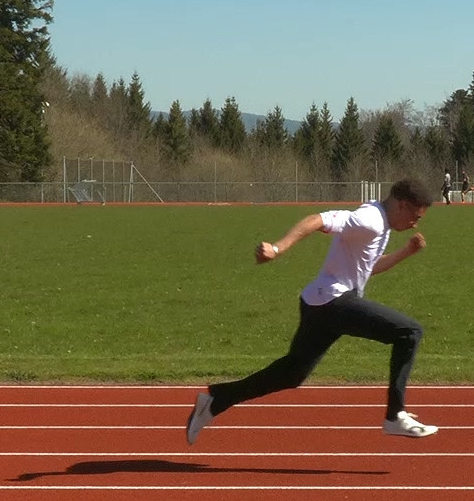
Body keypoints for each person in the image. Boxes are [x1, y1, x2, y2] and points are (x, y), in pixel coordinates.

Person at [186, 178, 439, 445]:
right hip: (334, 301)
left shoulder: (380, 224)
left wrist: (406, 252)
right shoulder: (370, 220)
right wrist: (277, 248)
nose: (416, 223)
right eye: (415, 216)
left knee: (291, 374)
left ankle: (216, 400)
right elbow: (316, 220)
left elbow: (369, 267)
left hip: (320, 303)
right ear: (401, 206)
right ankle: (395, 415)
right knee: (409, 332)